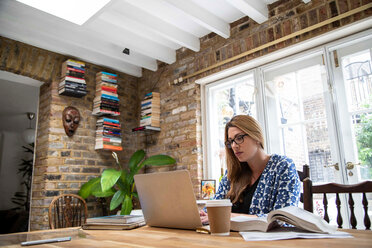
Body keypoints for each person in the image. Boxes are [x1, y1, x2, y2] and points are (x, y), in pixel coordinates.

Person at [200, 115, 300, 223]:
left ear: (256, 137)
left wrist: (230, 216)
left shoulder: (283, 166)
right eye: (231, 141)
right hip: (232, 239)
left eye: (239, 138)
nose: (234, 146)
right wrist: (201, 214)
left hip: (266, 240)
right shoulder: (232, 172)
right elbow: (214, 208)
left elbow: (284, 218)